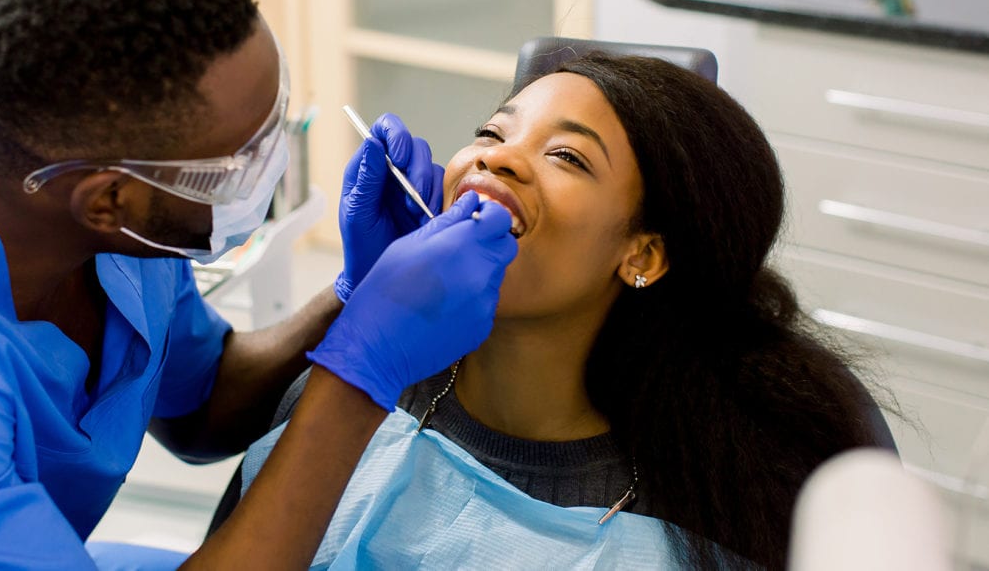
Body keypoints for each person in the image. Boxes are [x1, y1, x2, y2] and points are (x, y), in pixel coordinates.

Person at [0, 0, 518, 569]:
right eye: (241, 159)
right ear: (108, 201)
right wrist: (366, 370)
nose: (270, 161)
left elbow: (202, 406)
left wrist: (353, 299)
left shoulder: (104, 220)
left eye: (272, 120)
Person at [223, 52, 893, 569]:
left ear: (644, 253)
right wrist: (354, 306)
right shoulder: (352, 392)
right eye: (492, 130)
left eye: (566, 156)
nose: (498, 159)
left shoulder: (719, 508)